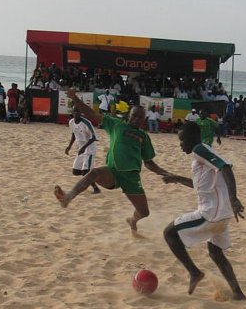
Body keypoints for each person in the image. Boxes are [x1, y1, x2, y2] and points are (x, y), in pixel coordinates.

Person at [54, 88, 172, 234]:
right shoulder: (116, 125)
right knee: (94, 172)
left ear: (144, 119)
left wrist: (165, 173)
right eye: (134, 116)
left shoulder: (144, 137)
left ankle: (132, 220)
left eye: (140, 117)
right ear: (129, 115)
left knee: (144, 212)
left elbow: (149, 162)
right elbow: (92, 114)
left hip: (132, 178)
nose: (137, 119)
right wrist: (75, 98)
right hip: (113, 172)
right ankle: (68, 197)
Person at [161, 122, 246, 300]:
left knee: (169, 233)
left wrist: (234, 198)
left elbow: (226, 167)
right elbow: (200, 185)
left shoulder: (199, 149)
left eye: (182, 140)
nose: (180, 144)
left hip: (211, 213)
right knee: (215, 252)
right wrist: (176, 178)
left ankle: (194, 272)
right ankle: (238, 293)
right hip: (222, 214)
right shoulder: (200, 155)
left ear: (193, 137)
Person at [65, 109, 101, 194]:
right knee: (75, 171)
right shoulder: (71, 122)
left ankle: (96, 188)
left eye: (78, 111)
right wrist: (69, 146)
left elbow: (93, 137)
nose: (76, 113)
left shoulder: (86, 123)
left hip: (89, 149)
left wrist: (84, 148)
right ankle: (91, 175)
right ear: (72, 112)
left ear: (81, 113)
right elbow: (74, 134)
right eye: (75, 111)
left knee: (85, 172)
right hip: (80, 149)